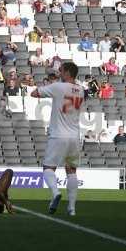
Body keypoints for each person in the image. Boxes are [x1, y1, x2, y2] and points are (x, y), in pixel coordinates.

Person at [31, 62, 84, 216]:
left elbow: (34, 93)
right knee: (72, 170)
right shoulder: (81, 90)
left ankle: (55, 193)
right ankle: (72, 208)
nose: (59, 73)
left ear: (67, 72)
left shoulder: (58, 87)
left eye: (61, 71)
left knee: (48, 168)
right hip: (74, 136)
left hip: (58, 134)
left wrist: (49, 86)